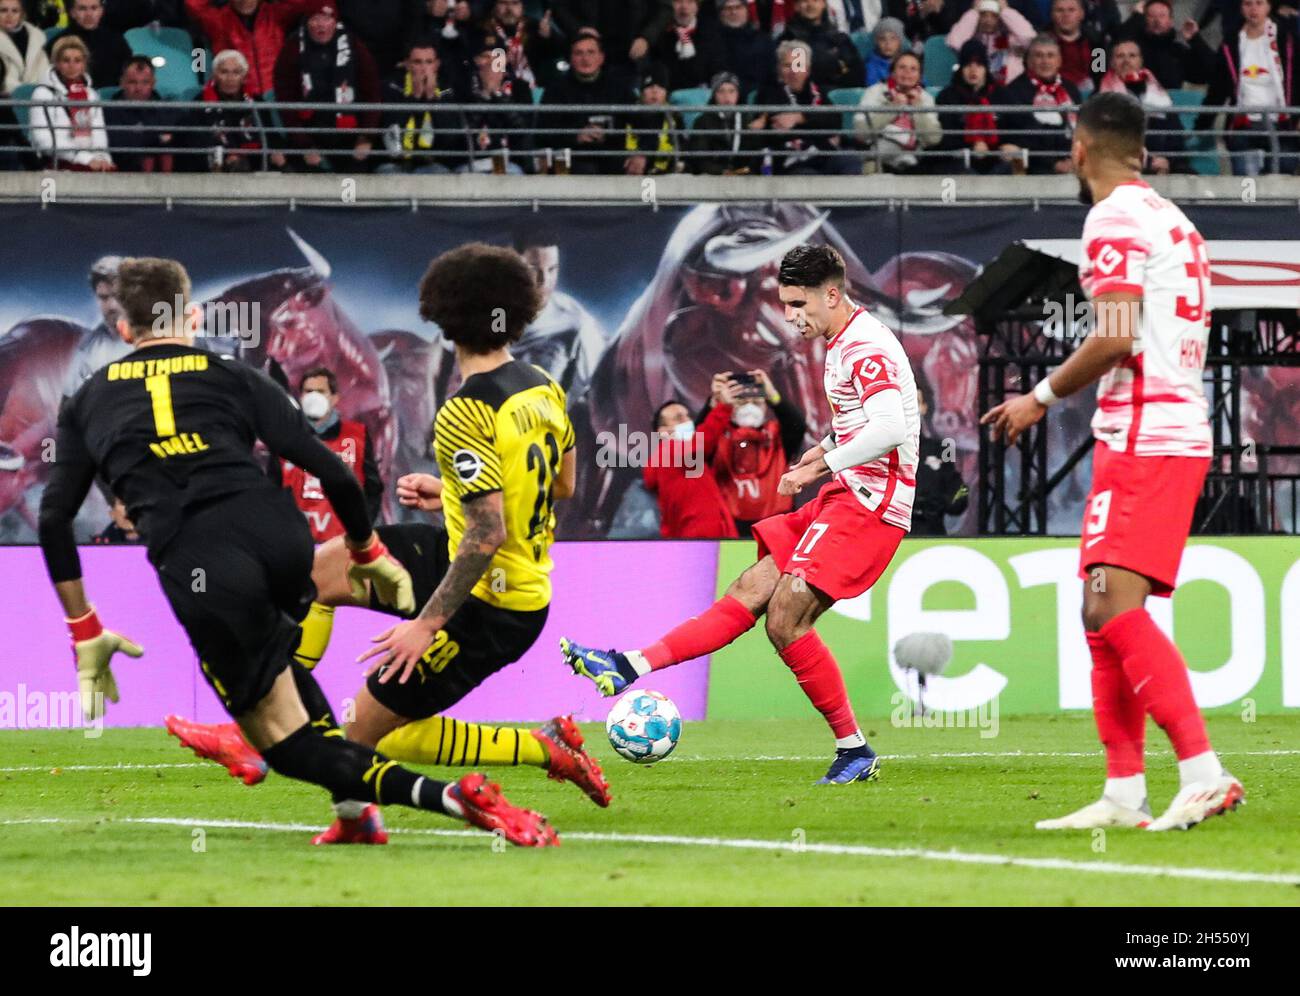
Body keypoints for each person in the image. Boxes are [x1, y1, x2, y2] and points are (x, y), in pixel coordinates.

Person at [40, 255, 559, 848]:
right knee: (310, 626)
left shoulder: (85, 399)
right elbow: (331, 467)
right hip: (281, 538)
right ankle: (356, 814)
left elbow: (54, 518)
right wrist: (368, 547)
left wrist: (85, 627)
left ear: (124, 331)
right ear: (192, 315)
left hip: (212, 567)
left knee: (300, 742)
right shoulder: (236, 373)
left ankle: (446, 794)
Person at [167, 244, 611, 844]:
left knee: (362, 732)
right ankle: (257, 730)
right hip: (467, 562)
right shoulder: (542, 387)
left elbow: (488, 533)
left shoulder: (465, 410)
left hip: (493, 605)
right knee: (321, 571)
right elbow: (561, 484)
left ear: (441, 316)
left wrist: (425, 625)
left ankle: (540, 748)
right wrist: (452, 490)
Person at [982, 92, 1245, 832]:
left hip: (1145, 435)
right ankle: (1124, 792)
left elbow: (1117, 334)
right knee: (1098, 613)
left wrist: (1037, 395)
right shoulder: (1171, 218)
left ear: (1079, 148)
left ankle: (1202, 770)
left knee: (1109, 607)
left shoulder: (1116, 217)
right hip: (1165, 430)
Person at [562, 244, 921, 786]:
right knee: (750, 589)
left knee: (785, 619)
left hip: (871, 504)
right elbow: (864, 423)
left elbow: (891, 429)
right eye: (785, 304)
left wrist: (816, 470)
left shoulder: (864, 346)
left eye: (799, 304)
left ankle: (855, 750)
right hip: (846, 491)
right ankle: (628, 666)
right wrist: (825, 450)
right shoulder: (841, 341)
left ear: (832, 294)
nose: (791, 316)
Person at [267, 366, 383, 542]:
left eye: (321, 391)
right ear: (301, 397)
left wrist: (360, 530)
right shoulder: (286, 437)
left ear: (335, 398)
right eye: (309, 391)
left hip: (342, 546)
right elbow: (271, 490)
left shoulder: (356, 436)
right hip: (294, 545)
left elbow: (373, 489)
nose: (314, 396)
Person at [696, 368, 808, 536]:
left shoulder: (777, 435)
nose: (749, 407)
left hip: (776, 524)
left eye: (756, 402)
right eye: (741, 401)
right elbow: (696, 442)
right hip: (729, 527)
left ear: (765, 405)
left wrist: (773, 396)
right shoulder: (718, 434)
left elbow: (797, 424)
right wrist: (714, 402)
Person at [273, 1, 380, 172]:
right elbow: (286, 102)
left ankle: (348, 199)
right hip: (309, 134)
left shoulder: (354, 45)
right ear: (307, 21)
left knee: (349, 192)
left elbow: (372, 93)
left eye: (327, 18)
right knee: (312, 191)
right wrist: (304, 144)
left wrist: (365, 137)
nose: (321, 25)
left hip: (349, 135)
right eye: (315, 19)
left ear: (335, 21)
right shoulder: (292, 48)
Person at [1200, 0, 1299, 178]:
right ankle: (1248, 203)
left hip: (1283, 124)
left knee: (1281, 173)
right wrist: (1202, 124)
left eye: (1259, 3)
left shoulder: (1288, 38)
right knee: (1247, 184)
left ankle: (1273, 206)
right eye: (1247, 4)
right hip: (1243, 124)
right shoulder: (1230, 42)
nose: (1253, 9)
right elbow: (1218, 88)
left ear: (1269, 7)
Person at [750, 38, 856, 174]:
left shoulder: (817, 91)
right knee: (807, 175)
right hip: (789, 162)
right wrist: (816, 125)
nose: (793, 71)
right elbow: (775, 133)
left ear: (808, 69)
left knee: (849, 161)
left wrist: (799, 118)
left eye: (798, 65)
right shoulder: (768, 94)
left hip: (822, 155)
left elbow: (834, 120)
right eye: (788, 65)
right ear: (779, 68)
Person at [540, 28, 636, 175]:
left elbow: (639, 123)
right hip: (572, 158)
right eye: (579, 53)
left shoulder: (620, 88)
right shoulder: (555, 90)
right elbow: (542, 133)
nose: (585, 59)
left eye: (591, 52)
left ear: (601, 58)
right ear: (571, 58)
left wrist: (640, 154)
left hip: (613, 158)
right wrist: (576, 136)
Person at [643, 398, 739, 538]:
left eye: (688, 416)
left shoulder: (683, 460)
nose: (687, 421)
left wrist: (713, 403)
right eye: (678, 418)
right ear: (662, 432)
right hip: (699, 540)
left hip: (711, 538)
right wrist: (724, 406)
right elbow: (702, 441)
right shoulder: (668, 450)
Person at [185, 0, 316, 96]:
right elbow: (193, 4)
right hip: (238, 97)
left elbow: (303, 3)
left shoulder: (276, 15)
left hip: (276, 96)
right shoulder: (218, 20)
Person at [994, 33, 1080, 175]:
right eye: (1039, 56)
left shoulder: (1071, 89)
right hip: (1034, 166)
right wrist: (1054, 164)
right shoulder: (1013, 91)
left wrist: (1071, 160)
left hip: (1071, 161)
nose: (1045, 61)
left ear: (1059, 61)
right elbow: (1025, 136)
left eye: (1050, 56)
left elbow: (1080, 129)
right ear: (1029, 61)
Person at [188, 48, 283, 172]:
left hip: (256, 162)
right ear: (215, 75)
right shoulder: (200, 102)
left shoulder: (256, 101)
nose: (230, 78)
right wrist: (225, 155)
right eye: (224, 72)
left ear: (244, 77)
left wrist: (276, 152)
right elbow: (195, 140)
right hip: (216, 164)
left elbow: (270, 135)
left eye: (236, 72)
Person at [1099, 37, 1183, 174]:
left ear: (1140, 61)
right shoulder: (1100, 96)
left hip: (1162, 165)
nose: (1126, 61)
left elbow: (1175, 134)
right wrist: (1147, 161)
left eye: (1132, 56)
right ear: (1112, 63)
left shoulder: (1159, 94)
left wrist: (1167, 160)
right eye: (1120, 56)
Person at [378, 38, 462, 174]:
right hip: (396, 162)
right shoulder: (391, 87)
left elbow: (450, 138)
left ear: (437, 65)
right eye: (417, 62)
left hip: (433, 163)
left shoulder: (446, 90)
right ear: (407, 64)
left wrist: (432, 100)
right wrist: (414, 97)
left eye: (429, 62)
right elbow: (390, 130)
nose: (424, 68)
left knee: (439, 175)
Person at [29, 34, 113, 169]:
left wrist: (101, 158)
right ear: (56, 63)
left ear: (84, 64)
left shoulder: (91, 95)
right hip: (56, 160)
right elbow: (43, 140)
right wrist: (84, 159)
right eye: (66, 60)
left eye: (77, 61)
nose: (72, 66)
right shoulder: (42, 94)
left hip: (90, 160)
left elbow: (99, 134)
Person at [458, 30, 534, 174]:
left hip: (511, 164)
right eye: (485, 57)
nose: (492, 63)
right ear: (475, 60)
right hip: (470, 164)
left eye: (497, 57)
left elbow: (523, 131)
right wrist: (485, 95)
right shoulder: (462, 88)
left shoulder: (520, 88)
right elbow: (462, 135)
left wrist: (498, 95)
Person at [854, 49, 941, 173]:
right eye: (902, 67)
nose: (907, 72)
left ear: (919, 76)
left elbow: (933, 139)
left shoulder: (926, 99)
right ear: (893, 72)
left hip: (916, 160)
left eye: (913, 69)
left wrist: (917, 107)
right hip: (880, 154)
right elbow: (861, 132)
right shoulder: (875, 92)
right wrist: (893, 108)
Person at [935, 37, 1005, 172]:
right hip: (959, 162)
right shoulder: (947, 96)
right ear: (961, 67)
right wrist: (971, 146)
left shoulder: (1001, 95)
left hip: (997, 160)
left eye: (978, 65)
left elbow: (1016, 127)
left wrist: (1005, 146)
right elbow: (943, 137)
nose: (973, 70)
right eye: (968, 65)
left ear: (986, 68)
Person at [1114, 0, 1216, 92]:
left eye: (1162, 16)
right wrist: (1135, 17)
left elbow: (1211, 72)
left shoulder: (1177, 51)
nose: (1157, 20)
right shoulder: (1134, 49)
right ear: (1144, 20)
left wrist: (1195, 39)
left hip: (1169, 108)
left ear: (1171, 21)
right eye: (1151, 16)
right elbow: (1116, 46)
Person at [104, 56, 179, 172]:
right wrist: (156, 138)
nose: (138, 88)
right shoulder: (108, 111)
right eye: (132, 82)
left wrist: (138, 138)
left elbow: (175, 145)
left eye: (145, 82)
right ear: (122, 83)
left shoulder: (167, 110)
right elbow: (118, 148)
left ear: (153, 83)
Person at [911, 383, 968, 534]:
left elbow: (959, 491)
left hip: (931, 533)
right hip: (894, 534)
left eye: (915, 402)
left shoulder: (942, 448)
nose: (909, 408)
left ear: (924, 407)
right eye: (905, 402)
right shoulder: (882, 451)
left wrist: (941, 502)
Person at [778, 0, 864, 90]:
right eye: (805, 1)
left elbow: (857, 74)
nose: (810, 5)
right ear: (796, 6)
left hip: (840, 97)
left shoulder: (840, 39)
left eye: (815, 1)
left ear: (823, 4)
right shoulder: (788, 39)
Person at [946, 0, 1036, 86]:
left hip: (1009, 87)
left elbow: (1029, 37)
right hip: (978, 88)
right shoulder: (971, 39)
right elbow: (955, 43)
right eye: (983, 15)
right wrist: (973, 12)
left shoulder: (1011, 38)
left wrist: (1006, 10)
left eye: (994, 16)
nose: (988, 20)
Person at [46, 0, 130, 88]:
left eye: (94, 8)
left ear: (101, 11)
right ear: (72, 13)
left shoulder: (117, 41)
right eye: (82, 9)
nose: (89, 14)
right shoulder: (57, 43)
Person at [687, 69, 753, 173]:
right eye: (721, 91)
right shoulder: (702, 121)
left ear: (738, 94)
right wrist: (720, 171)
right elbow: (698, 158)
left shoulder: (747, 120)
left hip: (743, 177)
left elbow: (754, 154)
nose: (727, 97)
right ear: (714, 95)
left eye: (731, 91)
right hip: (712, 178)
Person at [623, 61, 683, 175]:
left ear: (666, 93)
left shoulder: (675, 116)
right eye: (649, 87)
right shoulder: (629, 114)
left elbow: (682, 149)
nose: (655, 91)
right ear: (641, 92)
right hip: (630, 174)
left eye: (660, 87)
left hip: (667, 176)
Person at [653, 0, 725, 92]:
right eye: (678, 2)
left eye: (690, 2)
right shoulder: (661, 34)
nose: (684, 6)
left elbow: (717, 67)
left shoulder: (710, 33)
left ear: (697, 7)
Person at [716, 0, 775, 98]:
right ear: (720, 13)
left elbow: (771, 73)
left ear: (746, 11)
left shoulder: (763, 40)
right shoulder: (711, 40)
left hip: (758, 98)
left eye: (738, 7)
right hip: (722, 97)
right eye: (728, 8)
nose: (733, 12)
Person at [1, 0, 51, 95]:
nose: (9, 15)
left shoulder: (37, 39)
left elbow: (44, 74)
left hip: (36, 99)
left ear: (22, 14)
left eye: (15, 11)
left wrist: (36, 93)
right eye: (3, 10)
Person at [864, 15, 905, 86]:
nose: (888, 43)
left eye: (893, 38)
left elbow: (921, 83)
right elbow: (873, 87)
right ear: (877, 42)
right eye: (882, 39)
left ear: (900, 42)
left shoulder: (907, 61)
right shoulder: (871, 66)